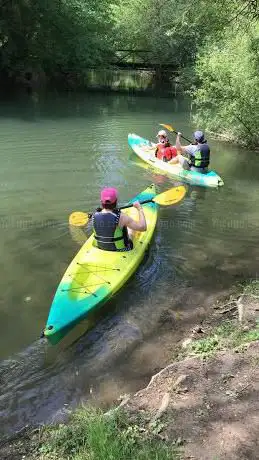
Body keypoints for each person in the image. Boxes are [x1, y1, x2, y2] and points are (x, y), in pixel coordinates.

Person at [92, 187, 147, 252]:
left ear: (101, 201)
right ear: (116, 201)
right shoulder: (122, 217)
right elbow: (143, 227)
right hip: (120, 250)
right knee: (130, 229)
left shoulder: (94, 215)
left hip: (100, 247)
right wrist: (139, 209)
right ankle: (130, 235)